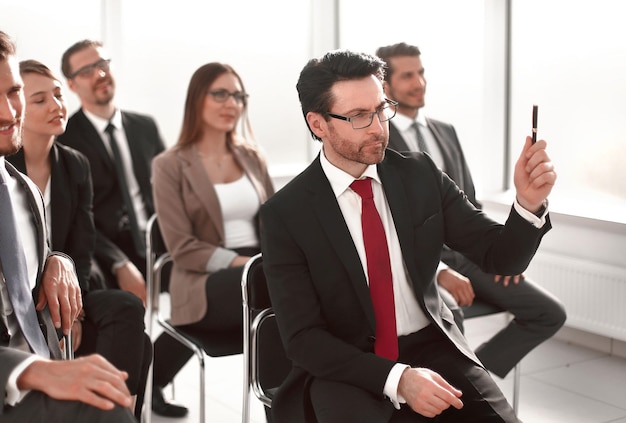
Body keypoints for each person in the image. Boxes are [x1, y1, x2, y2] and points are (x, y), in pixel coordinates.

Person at [260, 49, 556, 423]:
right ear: (318, 124)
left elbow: (501, 257)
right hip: (347, 366)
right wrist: (399, 379)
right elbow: (303, 340)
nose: (377, 127)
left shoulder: (419, 174)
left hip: (433, 346)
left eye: (381, 109)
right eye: (357, 117)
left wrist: (527, 203)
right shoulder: (285, 214)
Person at [375, 42, 566, 378]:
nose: (419, 82)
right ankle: (454, 387)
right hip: (418, 265)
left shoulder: (445, 131)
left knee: (548, 312)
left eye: (421, 72)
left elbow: (471, 205)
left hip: (468, 256)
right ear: (385, 86)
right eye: (407, 76)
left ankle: (472, 377)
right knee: (448, 316)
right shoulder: (378, 143)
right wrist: (437, 271)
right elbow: (384, 223)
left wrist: (502, 254)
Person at [0, 30, 134, 423]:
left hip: (44, 344)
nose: (10, 112)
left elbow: (77, 243)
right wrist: (34, 371)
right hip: (15, 375)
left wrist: (59, 259)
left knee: (115, 369)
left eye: (13, 92)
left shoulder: (22, 190)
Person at [150, 62, 275, 417]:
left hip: (262, 272)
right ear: (196, 100)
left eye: (237, 95)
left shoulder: (252, 157)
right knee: (277, 289)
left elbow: (278, 223)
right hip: (203, 277)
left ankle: (286, 404)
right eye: (219, 93)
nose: (231, 103)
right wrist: (247, 264)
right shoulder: (170, 165)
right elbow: (182, 248)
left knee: (285, 296)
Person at [57, 39, 165, 305]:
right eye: (86, 71)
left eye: (103, 64)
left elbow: (171, 191)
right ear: (71, 84)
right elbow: (73, 216)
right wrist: (118, 261)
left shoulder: (145, 126)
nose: (100, 74)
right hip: (107, 251)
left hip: (159, 241)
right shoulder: (64, 139)